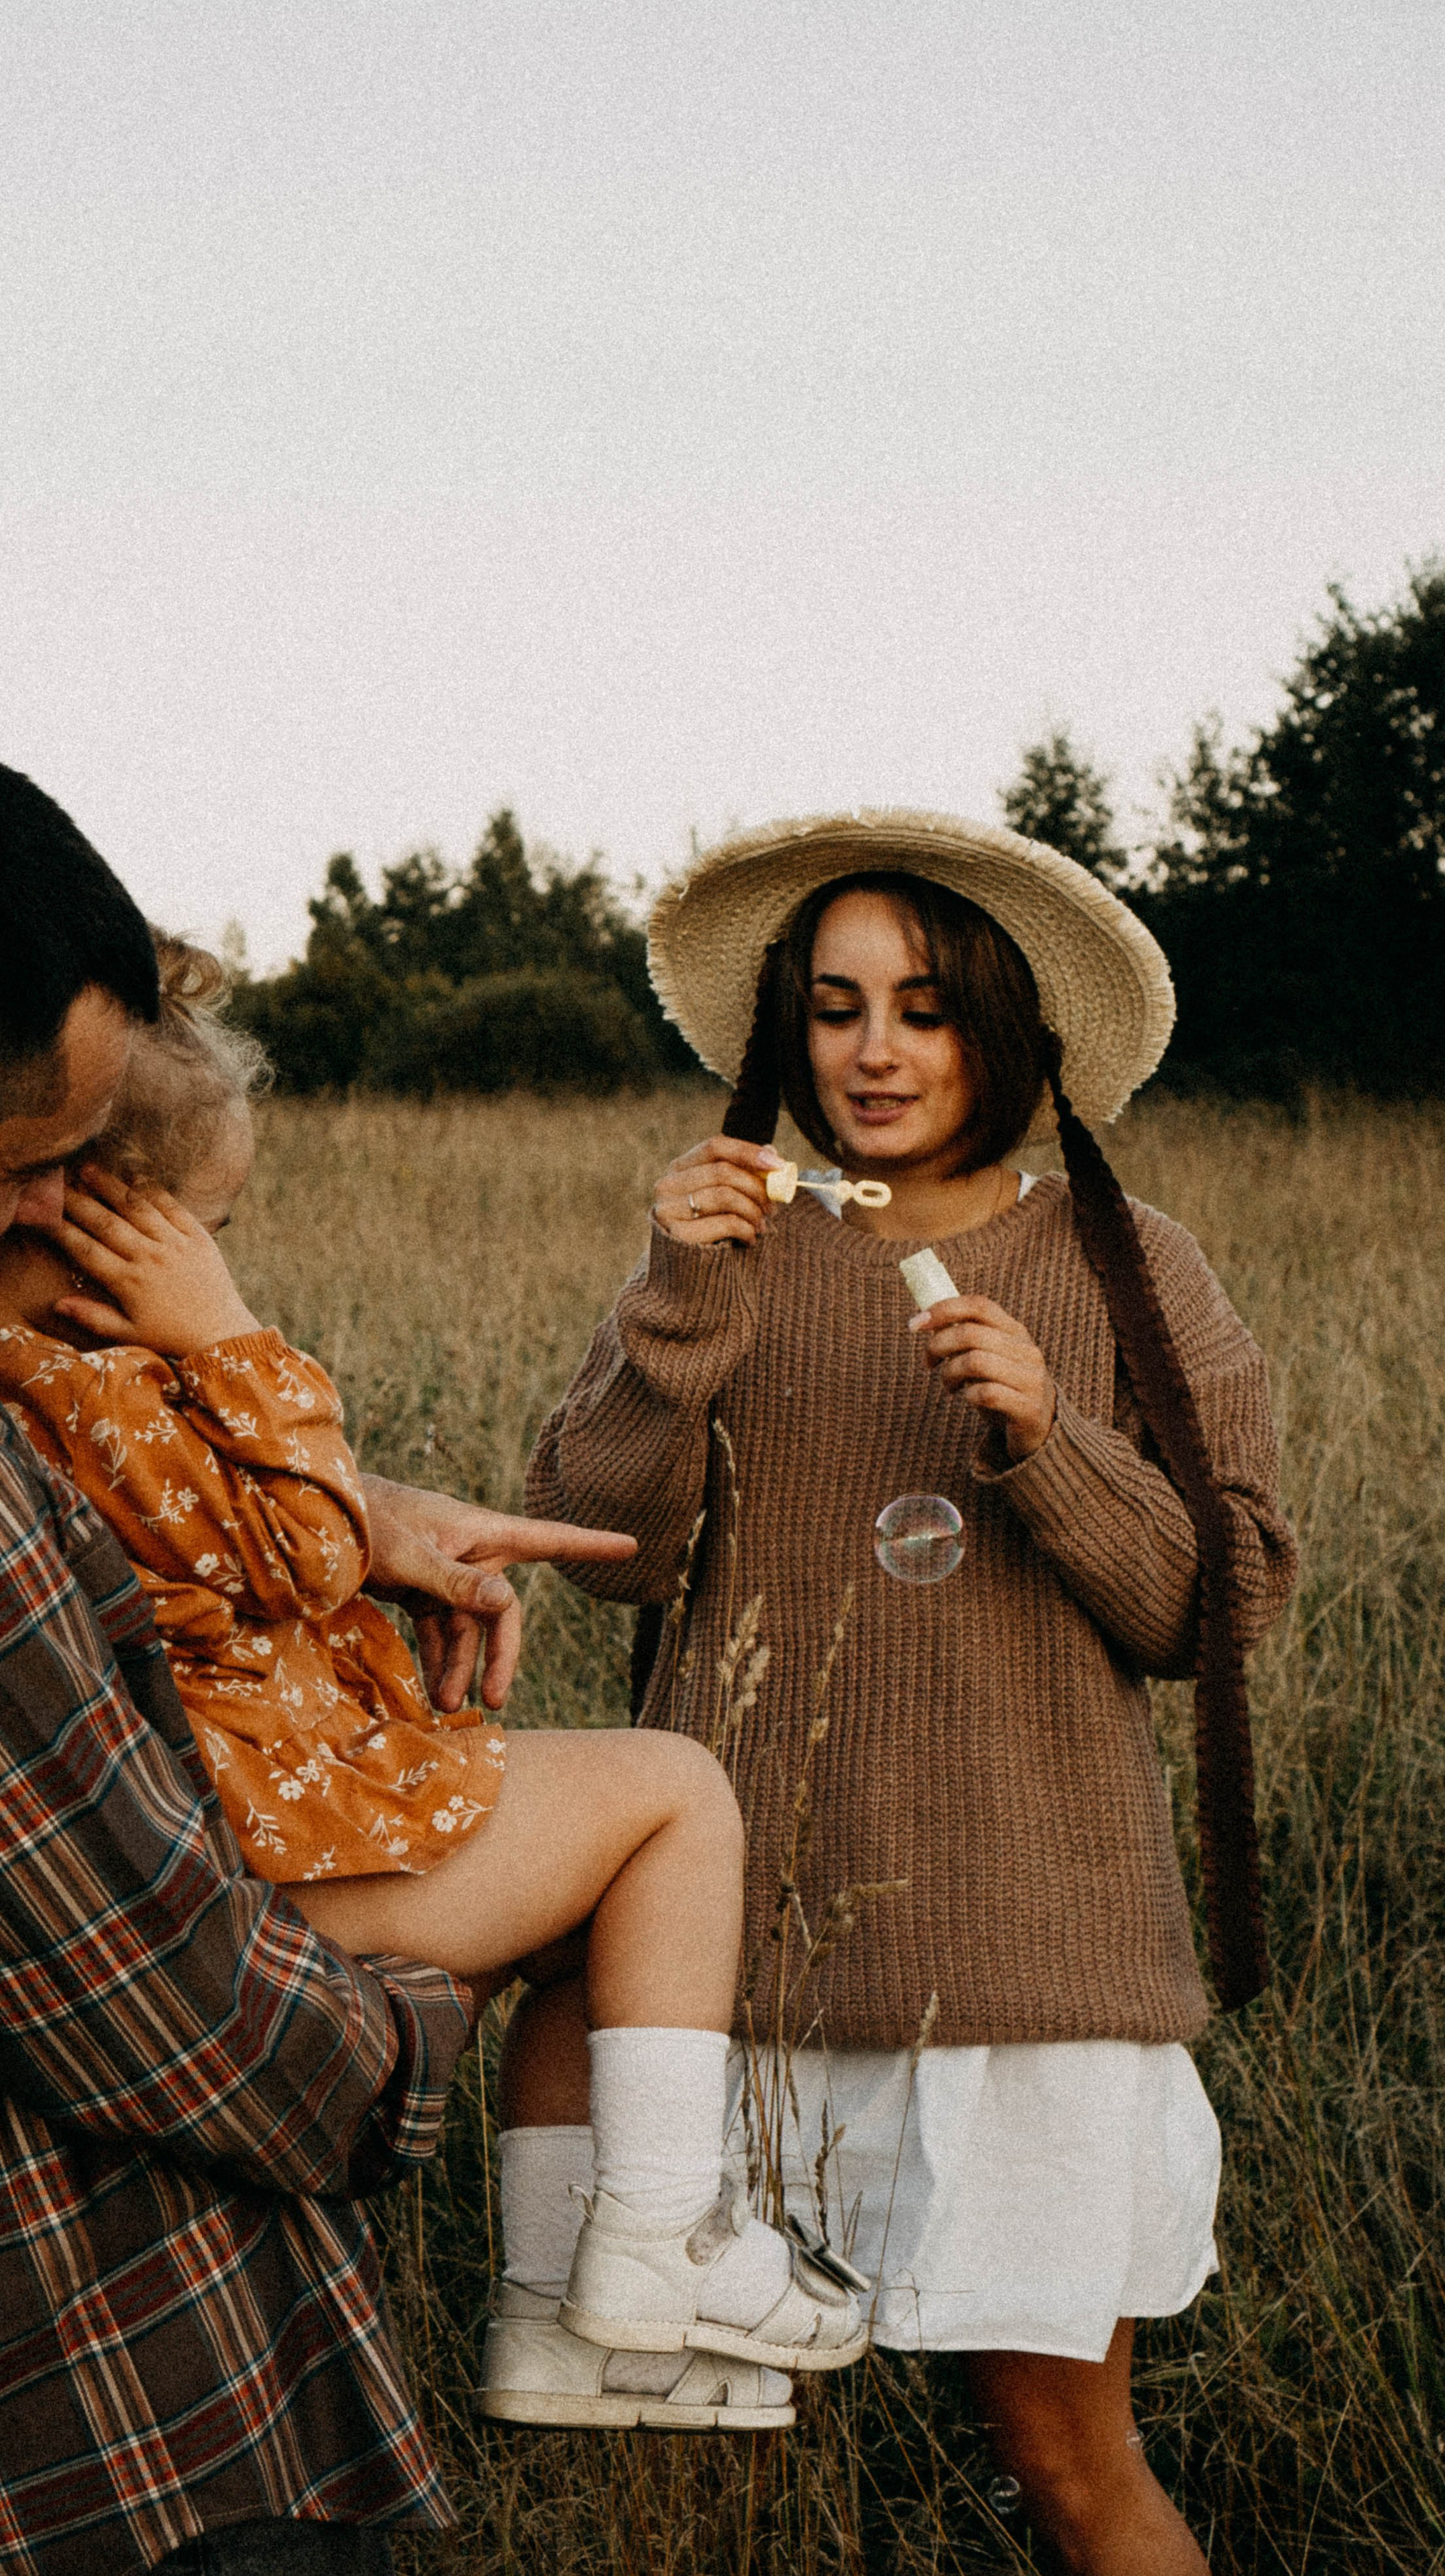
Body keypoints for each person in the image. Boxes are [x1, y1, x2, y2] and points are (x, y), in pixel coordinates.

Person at [0, 741, 633, 2576]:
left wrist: (335, 1502)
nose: (54, 1225)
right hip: (83, 2447)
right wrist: (454, 1983)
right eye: (38, 1171)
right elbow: (191, 2029)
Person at [523, 810, 1298, 2574]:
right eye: (835, 1005)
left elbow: (1223, 1604)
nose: (872, 1051)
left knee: (1064, 2455)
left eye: (926, 1009)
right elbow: (595, 1544)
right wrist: (671, 1308)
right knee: (697, 2479)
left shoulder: (1125, 1260)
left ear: (1008, 1032)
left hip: (1033, 1975)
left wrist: (1051, 1440)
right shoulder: (733, 1251)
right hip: (729, 1986)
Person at [0, 934, 868, 2439]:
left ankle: (552, 2324)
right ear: (104, 1224)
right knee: (672, 1796)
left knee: (613, 1934)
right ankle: (667, 2232)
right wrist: (229, 1337)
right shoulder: (88, 1381)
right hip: (272, 1852)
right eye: (208, 1228)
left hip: (245, 1823)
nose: (223, 1258)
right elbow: (298, 1550)